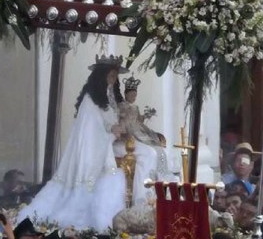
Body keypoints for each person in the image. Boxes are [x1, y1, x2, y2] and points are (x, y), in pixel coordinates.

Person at [17, 55, 128, 231]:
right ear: (101, 76)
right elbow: (91, 132)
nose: (113, 81)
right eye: (111, 76)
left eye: (115, 77)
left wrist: (118, 129)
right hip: (93, 153)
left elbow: (109, 122)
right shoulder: (90, 100)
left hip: (109, 148)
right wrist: (112, 134)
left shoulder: (109, 98)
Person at [113, 73, 175, 205]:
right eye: (131, 94)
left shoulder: (134, 107)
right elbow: (124, 124)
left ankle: (163, 188)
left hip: (138, 133)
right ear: (126, 94)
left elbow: (138, 121)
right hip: (128, 137)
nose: (134, 97)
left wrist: (146, 116)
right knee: (149, 153)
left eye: (135, 95)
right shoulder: (122, 107)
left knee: (160, 150)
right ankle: (144, 194)